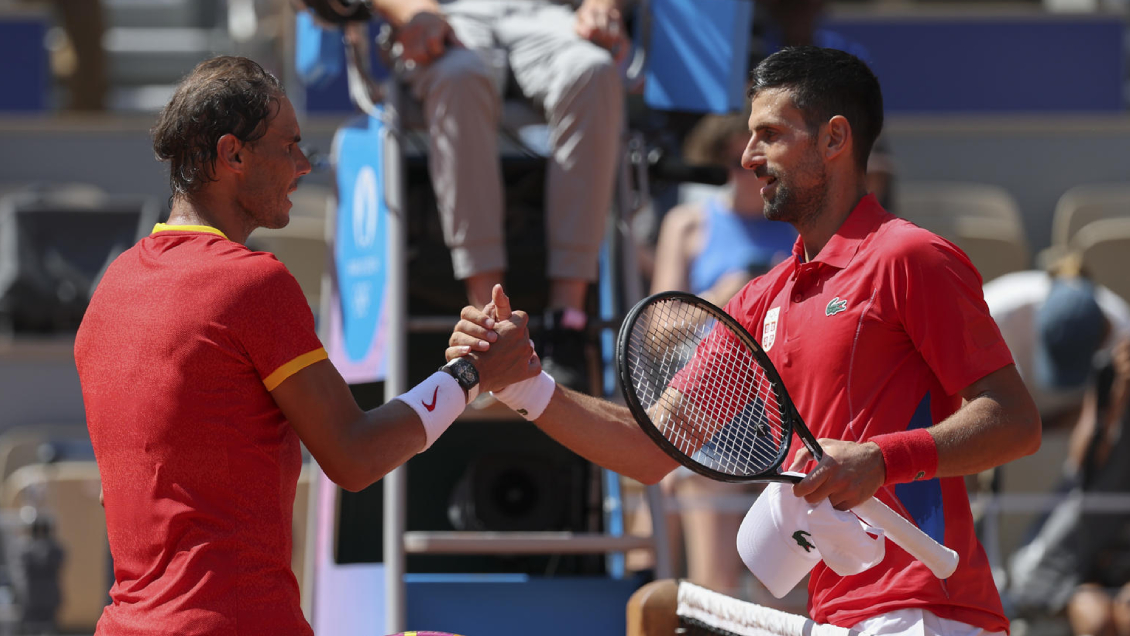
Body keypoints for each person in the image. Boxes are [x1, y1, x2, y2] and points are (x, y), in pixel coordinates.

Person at [451, 47, 1041, 635]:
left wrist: (881, 460)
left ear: (834, 140)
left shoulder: (908, 257)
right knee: (658, 612)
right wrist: (522, 382)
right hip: (835, 617)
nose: (747, 155)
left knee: (662, 613)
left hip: (928, 615)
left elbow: (1014, 420)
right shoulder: (762, 300)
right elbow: (650, 447)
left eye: (770, 135)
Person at [73, 56, 538, 636]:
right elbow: (354, 455)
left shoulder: (110, 291)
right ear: (233, 154)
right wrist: (471, 374)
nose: (303, 164)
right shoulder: (251, 282)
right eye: (289, 145)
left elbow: (114, 493)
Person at [368, 0, 627, 392]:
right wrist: (410, 11)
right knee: (459, 75)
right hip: (447, 14)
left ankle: (568, 323)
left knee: (594, 70)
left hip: (547, 16)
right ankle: (489, 329)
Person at [983, 252, 1130, 428]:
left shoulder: (1123, 336)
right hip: (1004, 424)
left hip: (1066, 424)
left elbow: (1098, 416)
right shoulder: (993, 313)